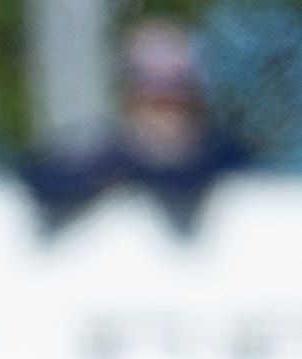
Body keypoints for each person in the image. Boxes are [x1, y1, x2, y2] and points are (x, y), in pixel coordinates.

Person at [22, 17, 250, 235]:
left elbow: (187, 183)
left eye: (175, 84)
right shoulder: (99, 158)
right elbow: (41, 183)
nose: (163, 96)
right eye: (148, 84)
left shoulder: (229, 156)